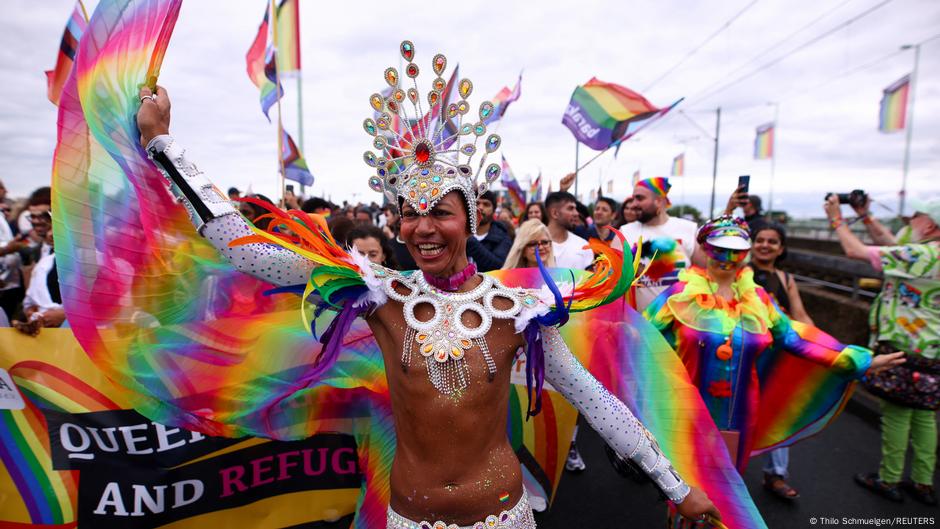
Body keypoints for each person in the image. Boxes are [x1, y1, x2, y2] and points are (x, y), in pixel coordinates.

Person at [134, 43, 719, 528]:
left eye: (439, 211)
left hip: (505, 518)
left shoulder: (520, 310)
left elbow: (597, 402)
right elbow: (242, 245)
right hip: (409, 518)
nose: (422, 227)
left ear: (469, 218)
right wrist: (164, 145)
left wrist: (675, 485)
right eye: (409, 213)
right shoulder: (377, 291)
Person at [643, 217, 902, 522]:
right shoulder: (678, 295)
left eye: (737, 250)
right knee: (686, 492)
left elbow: (796, 338)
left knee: (726, 489)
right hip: (686, 412)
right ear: (704, 247)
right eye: (721, 249)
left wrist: (859, 359)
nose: (729, 258)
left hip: (740, 416)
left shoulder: (760, 301)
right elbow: (638, 340)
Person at [823, 195, 939, 506]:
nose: (909, 220)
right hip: (932, 350)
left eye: (916, 216)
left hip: (903, 348)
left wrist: (837, 218)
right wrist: (866, 216)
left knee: (897, 415)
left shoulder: (922, 254)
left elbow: (856, 251)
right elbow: (893, 248)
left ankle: (888, 479)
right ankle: (923, 482)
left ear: (928, 225)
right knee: (925, 415)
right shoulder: (928, 254)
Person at [748, 222, 814, 500]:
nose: (765, 245)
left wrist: (825, 347)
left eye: (772, 241)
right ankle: (719, 472)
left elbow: (800, 315)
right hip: (745, 355)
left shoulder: (786, 280)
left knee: (777, 414)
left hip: (777, 357)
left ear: (781, 249)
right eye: (760, 240)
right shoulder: (740, 274)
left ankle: (775, 474)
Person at [621, 177, 702, 311]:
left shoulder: (688, 229)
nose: (634, 204)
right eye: (633, 198)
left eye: (639, 198)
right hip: (641, 326)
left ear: (658, 201)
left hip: (680, 323)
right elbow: (613, 278)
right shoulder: (624, 233)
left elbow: (705, 274)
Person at [544, 190, 593, 270]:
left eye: (575, 209)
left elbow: (591, 279)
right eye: (570, 208)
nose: (576, 213)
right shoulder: (533, 244)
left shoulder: (584, 246)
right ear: (555, 213)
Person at [467, 191, 513, 272]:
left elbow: (498, 266)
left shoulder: (502, 236)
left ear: (494, 210)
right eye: (477, 203)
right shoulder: (458, 233)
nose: (480, 207)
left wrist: (469, 240)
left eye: (486, 204)